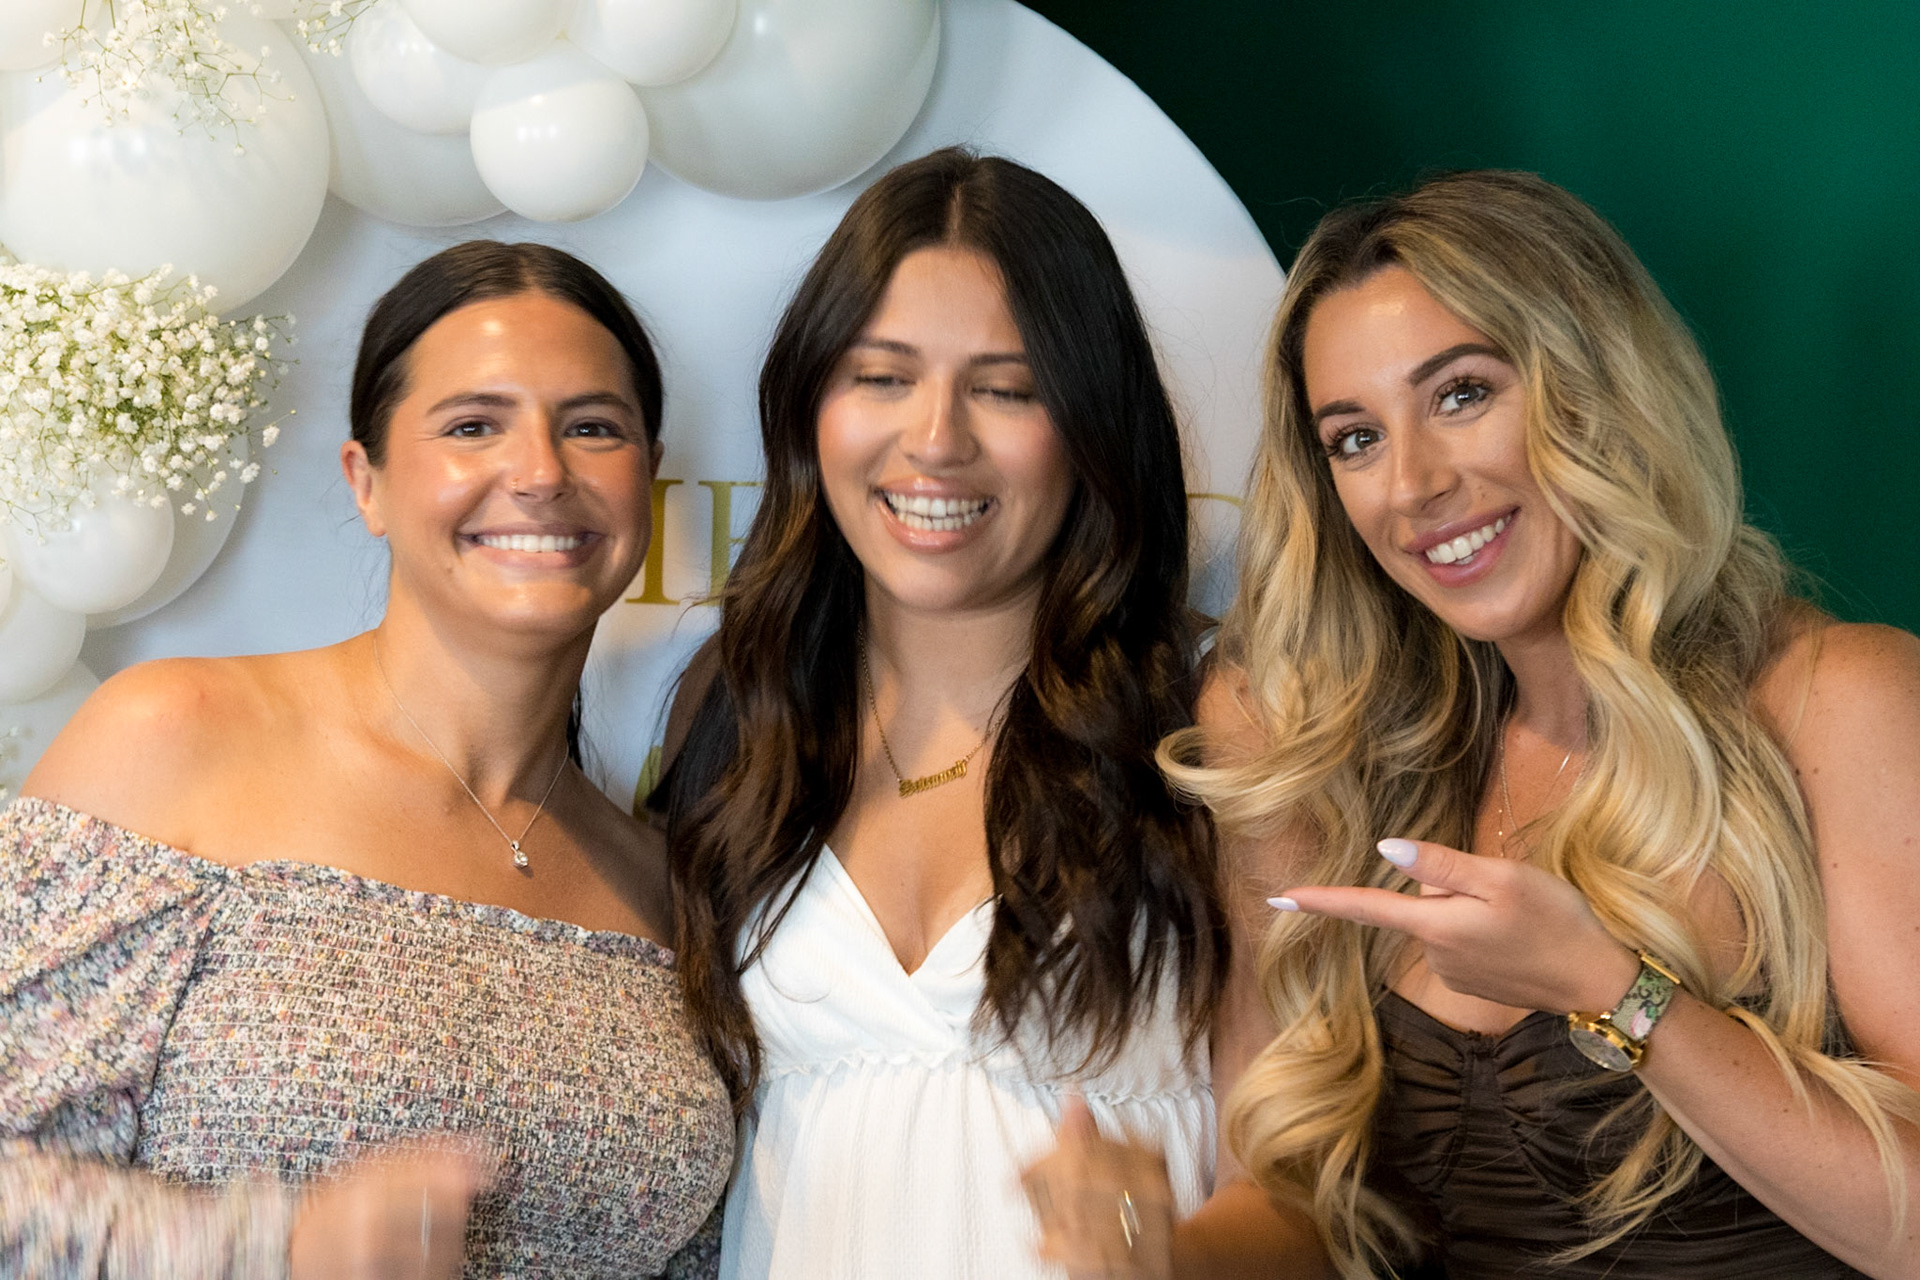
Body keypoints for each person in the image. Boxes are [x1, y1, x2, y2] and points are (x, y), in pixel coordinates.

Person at [1160, 169, 1920, 1278]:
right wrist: (1157, 1255)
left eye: (1461, 394)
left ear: (1598, 386)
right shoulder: (1318, 752)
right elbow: (1290, 1203)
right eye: (1355, 438)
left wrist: (1616, 992)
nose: (1411, 484)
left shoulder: (1836, 700)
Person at [652, 148, 1324, 1279]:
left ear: (1091, 423)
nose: (936, 438)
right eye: (881, 376)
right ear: (811, 403)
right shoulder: (739, 708)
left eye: (1006, 388)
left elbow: (1310, 1196)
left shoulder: (1216, 723)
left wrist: (1168, 1253)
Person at [0, 241, 732, 1277]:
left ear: (645, 481)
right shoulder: (175, 735)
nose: (540, 472)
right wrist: (274, 1245)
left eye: (591, 427)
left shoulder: (666, 884)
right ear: (367, 482)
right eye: (473, 425)